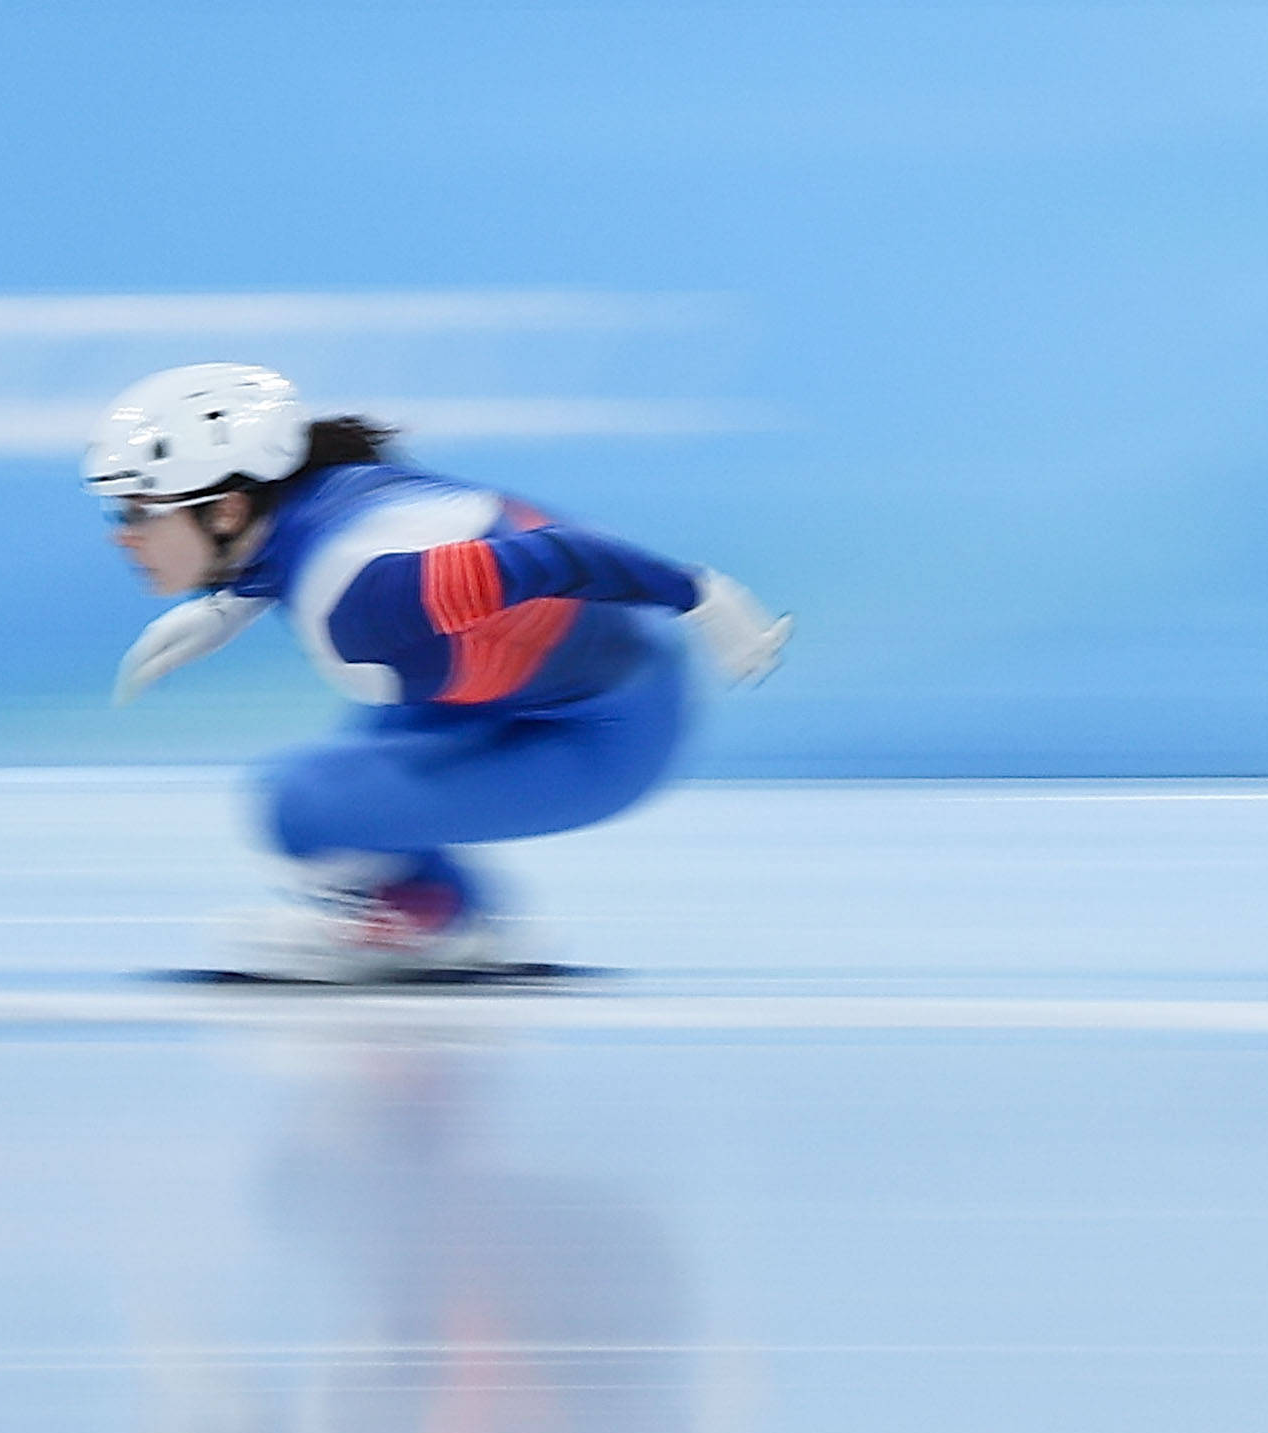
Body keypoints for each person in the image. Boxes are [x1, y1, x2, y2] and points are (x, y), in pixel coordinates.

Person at [86, 363, 791, 979]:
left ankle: (431, 920)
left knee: (300, 806)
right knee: (348, 766)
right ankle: (444, 909)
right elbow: (291, 548)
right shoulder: (314, 497)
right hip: (522, 674)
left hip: (612, 728)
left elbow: (555, 559)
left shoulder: (361, 596)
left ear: (229, 509)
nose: (123, 537)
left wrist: (700, 596)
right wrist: (226, 606)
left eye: (140, 512)